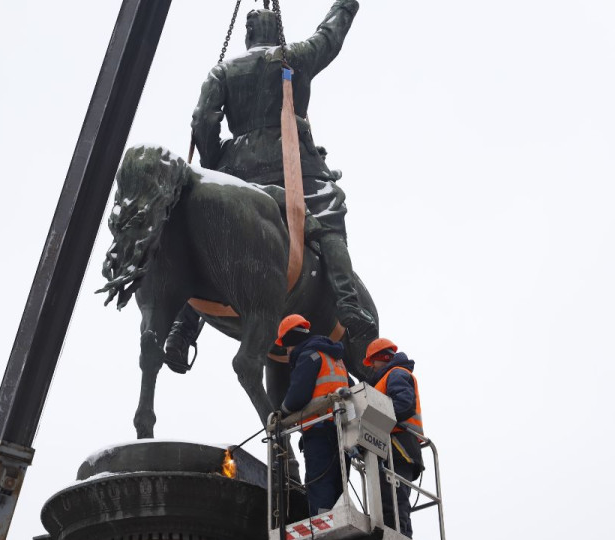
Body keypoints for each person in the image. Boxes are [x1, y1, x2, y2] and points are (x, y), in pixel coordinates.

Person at [165, 0, 374, 371]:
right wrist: (347, 4)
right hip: (293, 164)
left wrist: (217, 165)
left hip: (236, 173)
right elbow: (330, 36)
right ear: (277, 30)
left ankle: (182, 329)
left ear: (246, 35)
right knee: (328, 213)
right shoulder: (292, 56)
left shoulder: (223, 70)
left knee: (205, 238)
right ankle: (348, 305)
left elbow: (202, 122)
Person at [276, 314, 351, 515]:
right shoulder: (336, 359)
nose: (288, 351)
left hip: (319, 431)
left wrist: (282, 413)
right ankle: (335, 520)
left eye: (287, 346)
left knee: (319, 482)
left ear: (291, 339)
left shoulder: (309, 355)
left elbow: (297, 396)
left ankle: (322, 526)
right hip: (342, 431)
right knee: (338, 481)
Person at [364, 338, 425, 538]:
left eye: (373, 361)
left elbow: (404, 404)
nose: (371, 366)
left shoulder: (396, 373)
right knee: (389, 502)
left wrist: (373, 424)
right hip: (393, 447)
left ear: (383, 357)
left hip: (400, 447)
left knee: (395, 502)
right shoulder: (386, 377)